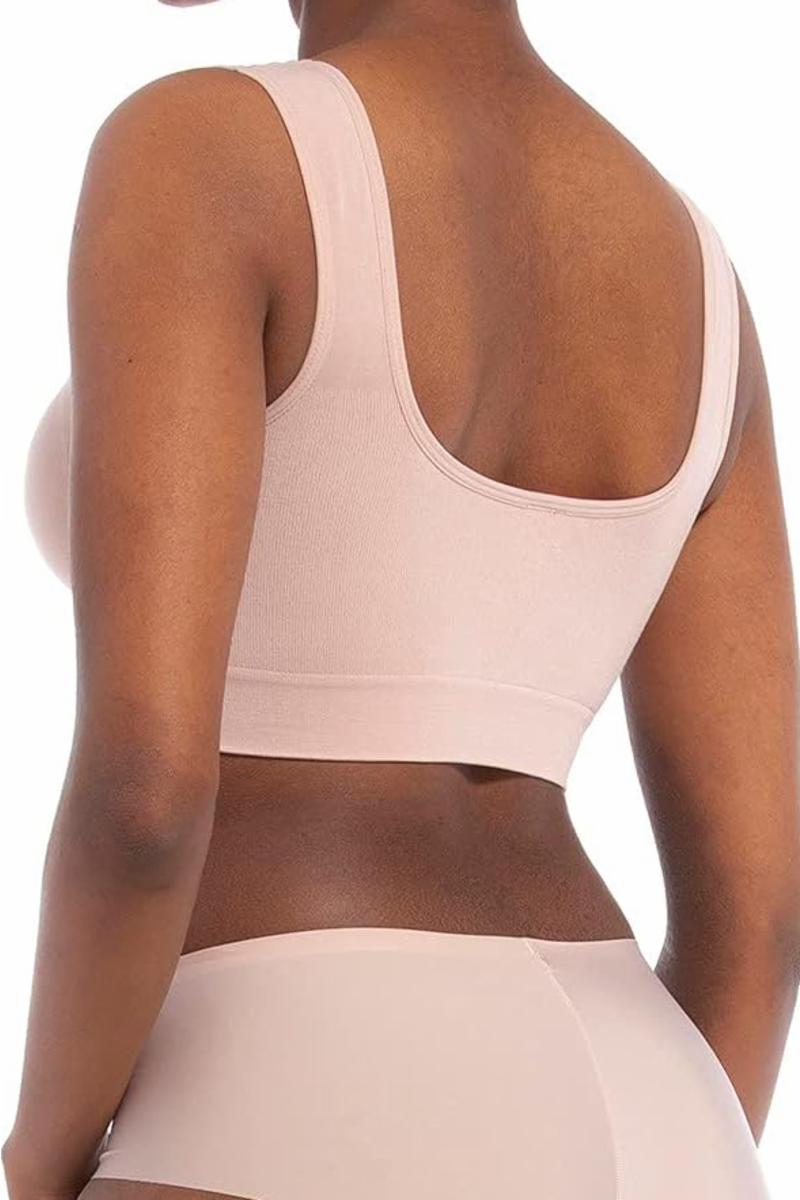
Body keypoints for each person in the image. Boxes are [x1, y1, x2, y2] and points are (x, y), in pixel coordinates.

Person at [5, 1, 799, 1198]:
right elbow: (760, 922)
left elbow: (146, 800)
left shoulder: (210, 150)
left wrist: (42, 1160)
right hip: (663, 1110)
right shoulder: (697, 276)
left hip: (295, 1087)